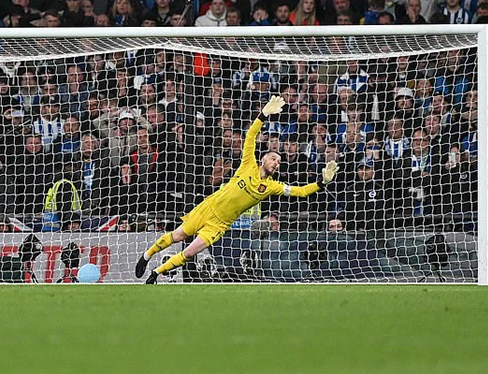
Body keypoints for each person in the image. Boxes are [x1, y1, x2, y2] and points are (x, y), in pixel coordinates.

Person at [135, 96, 338, 283]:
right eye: (273, 158)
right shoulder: (248, 163)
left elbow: (300, 192)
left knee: (189, 253)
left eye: (279, 162)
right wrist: (263, 114)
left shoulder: (271, 186)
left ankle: (155, 273)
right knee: (177, 235)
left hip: (220, 225)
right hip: (208, 207)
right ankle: (146, 256)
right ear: (264, 159)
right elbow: (250, 135)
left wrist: (322, 183)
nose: (276, 163)